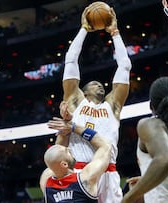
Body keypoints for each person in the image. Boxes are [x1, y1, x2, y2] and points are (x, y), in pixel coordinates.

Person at [55, 4, 132, 203]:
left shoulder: (112, 106)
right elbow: (70, 62)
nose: (99, 84)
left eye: (101, 84)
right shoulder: (75, 102)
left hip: (108, 172)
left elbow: (124, 66)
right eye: (93, 83)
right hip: (80, 171)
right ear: (83, 90)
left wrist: (115, 33)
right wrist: (83, 30)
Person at [40, 116, 111, 203]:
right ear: (64, 164)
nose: (69, 149)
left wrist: (65, 128)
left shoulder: (46, 183)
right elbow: (105, 146)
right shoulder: (85, 179)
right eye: (67, 151)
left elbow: (54, 158)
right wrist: (73, 127)